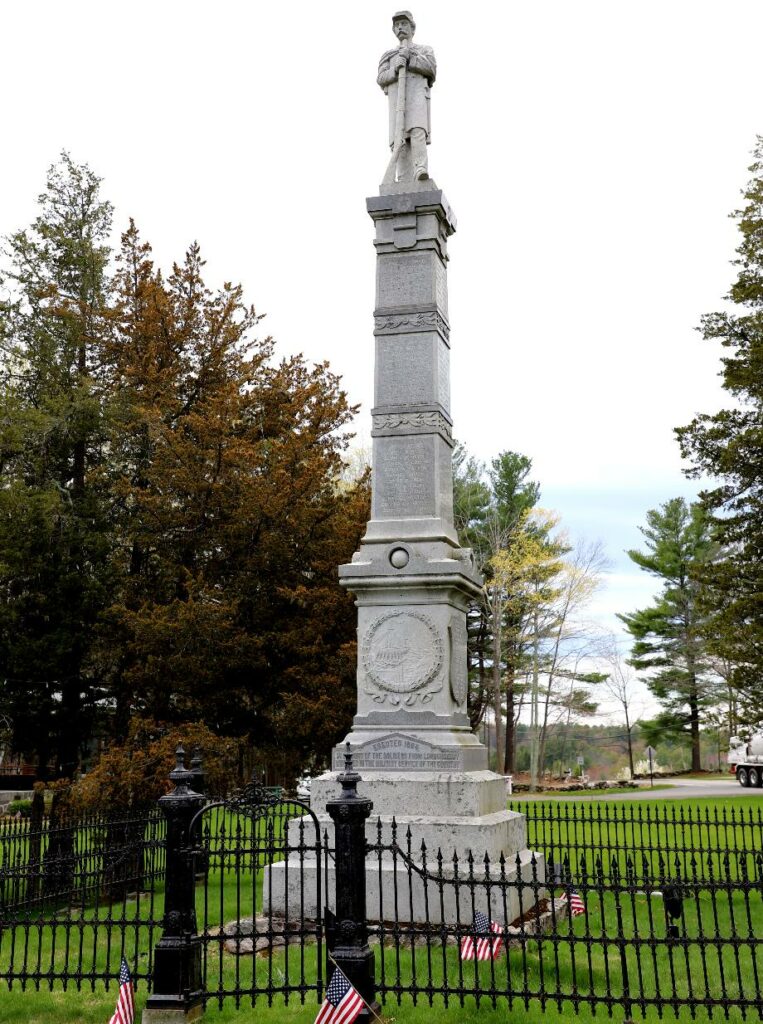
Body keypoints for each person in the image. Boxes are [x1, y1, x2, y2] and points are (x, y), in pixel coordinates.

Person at [377, 11, 436, 182]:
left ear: (412, 28)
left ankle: (420, 169)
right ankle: (403, 178)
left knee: (417, 131)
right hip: (396, 101)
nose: (400, 27)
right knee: (399, 139)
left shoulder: (424, 50)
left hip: (416, 95)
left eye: (404, 24)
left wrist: (411, 59)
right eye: (397, 25)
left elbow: (431, 69)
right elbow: (380, 78)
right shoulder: (389, 55)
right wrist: (395, 68)